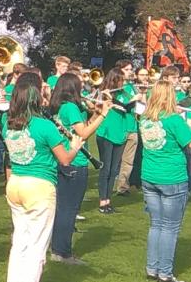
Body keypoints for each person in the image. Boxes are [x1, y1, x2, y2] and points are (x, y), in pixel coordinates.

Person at [0, 71, 84, 282]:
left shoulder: (9, 124)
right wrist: (76, 145)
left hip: (16, 182)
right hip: (38, 186)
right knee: (37, 242)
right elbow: (65, 159)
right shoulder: (44, 126)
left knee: (21, 239)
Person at [139, 82, 191, 282]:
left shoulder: (144, 117)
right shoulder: (174, 120)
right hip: (172, 178)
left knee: (156, 225)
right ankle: (165, 273)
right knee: (169, 227)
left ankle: (152, 269)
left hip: (149, 176)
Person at [47, 73, 110, 263]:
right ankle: (62, 251)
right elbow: (83, 133)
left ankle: (56, 247)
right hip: (75, 161)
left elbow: (81, 128)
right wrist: (104, 115)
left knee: (62, 207)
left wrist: (96, 114)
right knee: (69, 208)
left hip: (62, 159)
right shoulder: (71, 107)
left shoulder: (58, 106)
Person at [95, 66, 128, 214]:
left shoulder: (124, 94)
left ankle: (108, 200)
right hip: (105, 133)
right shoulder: (102, 93)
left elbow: (127, 107)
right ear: (115, 80)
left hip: (119, 134)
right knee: (105, 168)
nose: (123, 82)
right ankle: (103, 201)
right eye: (121, 80)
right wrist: (106, 98)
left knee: (114, 170)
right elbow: (95, 107)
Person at [114, 60, 139, 195]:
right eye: (127, 69)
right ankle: (110, 185)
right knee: (114, 160)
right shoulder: (115, 87)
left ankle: (123, 187)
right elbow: (122, 105)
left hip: (132, 126)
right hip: (119, 127)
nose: (130, 72)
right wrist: (134, 98)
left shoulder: (132, 86)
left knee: (128, 161)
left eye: (131, 69)